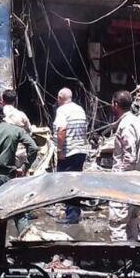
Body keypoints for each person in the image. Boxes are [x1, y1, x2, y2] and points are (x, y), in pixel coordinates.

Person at [108, 91, 140, 241]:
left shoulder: (126, 125)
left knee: (117, 223)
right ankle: (135, 259)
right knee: (131, 222)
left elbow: (130, 157)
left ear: (116, 105)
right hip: (135, 180)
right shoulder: (136, 121)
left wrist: (119, 178)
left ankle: (119, 258)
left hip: (124, 182)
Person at [53, 87, 89, 223]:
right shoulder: (79, 109)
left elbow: (62, 130)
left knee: (67, 184)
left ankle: (72, 216)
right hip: (80, 150)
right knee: (75, 182)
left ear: (61, 98)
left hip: (68, 152)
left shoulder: (62, 110)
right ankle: (75, 212)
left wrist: (59, 150)